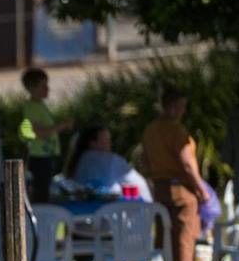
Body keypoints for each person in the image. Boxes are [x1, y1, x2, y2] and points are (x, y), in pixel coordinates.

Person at [139, 87, 210, 261]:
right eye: (180, 107)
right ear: (170, 106)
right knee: (185, 238)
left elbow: (144, 160)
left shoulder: (150, 130)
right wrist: (201, 189)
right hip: (181, 189)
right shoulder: (177, 131)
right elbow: (187, 163)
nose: (182, 111)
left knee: (163, 238)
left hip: (160, 189)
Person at [18, 67, 72, 205]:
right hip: (39, 157)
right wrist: (61, 126)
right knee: (40, 193)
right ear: (31, 88)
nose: (47, 89)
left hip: (46, 155)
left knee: (47, 191)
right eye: (43, 86)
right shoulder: (31, 108)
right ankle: (41, 218)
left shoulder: (40, 105)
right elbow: (37, 133)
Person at [67, 125, 152, 201]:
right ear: (92, 143)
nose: (110, 144)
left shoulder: (81, 160)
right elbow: (137, 188)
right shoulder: (110, 160)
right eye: (106, 140)